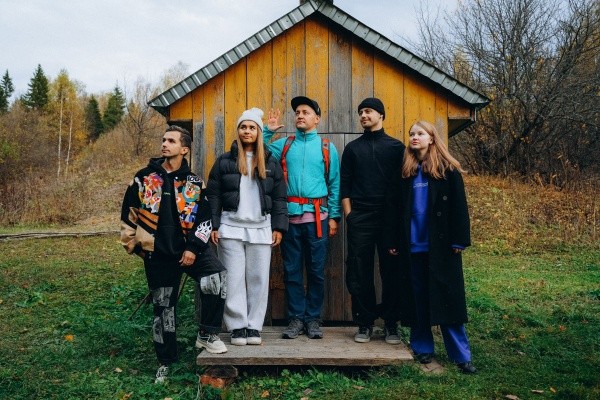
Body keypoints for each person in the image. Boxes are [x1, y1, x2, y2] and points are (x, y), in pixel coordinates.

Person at [120, 125, 228, 384]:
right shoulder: (143, 178)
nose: (164, 144)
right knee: (164, 310)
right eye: (164, 140)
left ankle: (207, 333)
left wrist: (193, 248)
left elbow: (205, 220)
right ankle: (165, 363)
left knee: (216, 276)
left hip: (189, 250)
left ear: (184, 149)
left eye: (171, 141)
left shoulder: (194, 183)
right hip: (158, 255)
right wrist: (137, 247)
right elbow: (128, 214)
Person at [385, 120, 476, 374]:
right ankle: (423, 348)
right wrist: (392, 240)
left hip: (442, 248)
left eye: (420, 133)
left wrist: (459, 239)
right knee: (418, 299)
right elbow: (393, 209)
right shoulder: (405, 172)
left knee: (447, 300)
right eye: (411, 134)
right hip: (412, 247)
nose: (414, 137)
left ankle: (461, 356)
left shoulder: (448, 170)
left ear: (432, 139)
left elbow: (459, 207)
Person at [206, 107, 288, 346]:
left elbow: (280, 198)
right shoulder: (224, 161)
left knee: (258, 279)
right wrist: (214, 224)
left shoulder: (270, 162)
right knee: (233, 279)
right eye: (243, 127)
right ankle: (237, 326)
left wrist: (279, 227)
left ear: (259, 132)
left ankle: (253, 326)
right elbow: (214, 195)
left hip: (261, 228)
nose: (247, 131)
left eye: (252, 127)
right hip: (230, 227)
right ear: (238, 131)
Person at [263, 96, 341, 339]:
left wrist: (334, 216)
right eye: (297, 112)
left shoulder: (327, 147)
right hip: (290, 220)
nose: (300, 115)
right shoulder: (284, 145)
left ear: (317, 119)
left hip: (318, 220)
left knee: (316, 271)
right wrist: (268, 131)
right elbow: (255, 150)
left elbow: (335, 183)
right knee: (292, 270)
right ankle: (296, 319)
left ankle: (313, 319)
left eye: (305, 112)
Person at [340, 97, 405, 344]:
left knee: (392, 271)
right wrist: (350, 215)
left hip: (390, 218)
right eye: (361, 112)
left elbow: (403, 185)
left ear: (381, 115)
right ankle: (364, 323)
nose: (363, 115)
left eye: (368, 111)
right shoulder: (353, 148)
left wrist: (399, 218)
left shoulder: (396, 147)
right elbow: (345, 185)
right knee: (359, 271)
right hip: (361, 217)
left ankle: (391, 324)